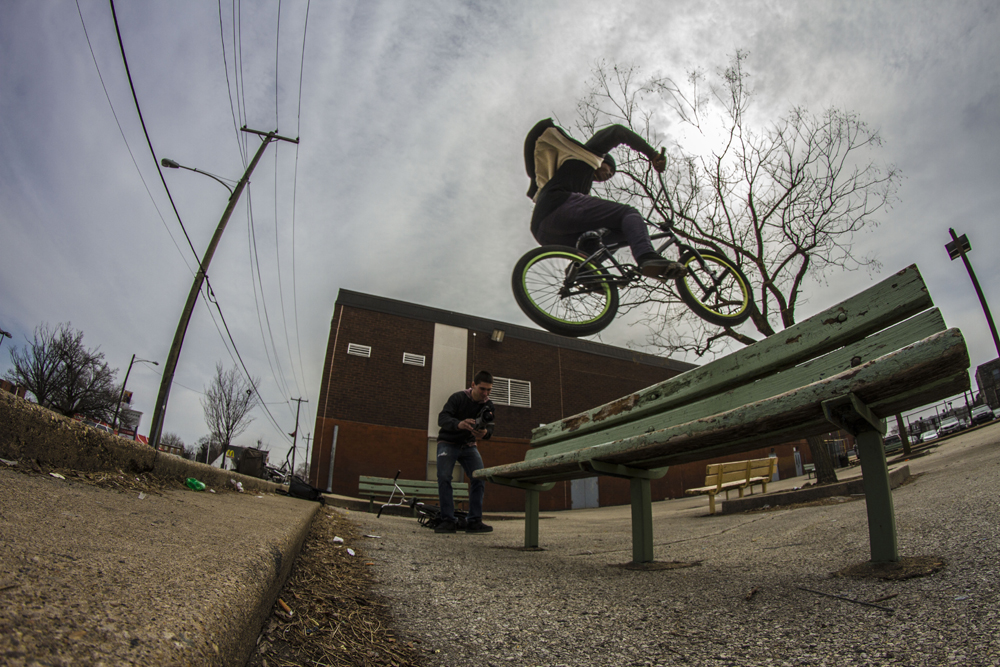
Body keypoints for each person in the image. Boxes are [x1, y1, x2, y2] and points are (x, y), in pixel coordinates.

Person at [524, 118, 686, 279]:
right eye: (610, 170)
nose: (609, 175)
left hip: (544, 232)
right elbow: (617, 132)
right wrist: (652, 154)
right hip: (557, 206)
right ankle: (647, 256)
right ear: (602, 161)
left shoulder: (578, 187)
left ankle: (583, 270)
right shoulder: (585, 157)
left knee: (618, 235)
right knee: (628, 213)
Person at [434, 370, 495, 534]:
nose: (485, 393)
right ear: (473, 385)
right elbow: (442, 418)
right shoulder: (458, 398)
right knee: (444, 477)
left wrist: (484, 433)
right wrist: (459, 424)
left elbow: (490, 428)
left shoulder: (488, 405)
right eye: (482, 389)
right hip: (448, 442)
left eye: (489, 390)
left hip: (468, 445)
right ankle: (448, 520)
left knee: (479, 477)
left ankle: (474, 521)